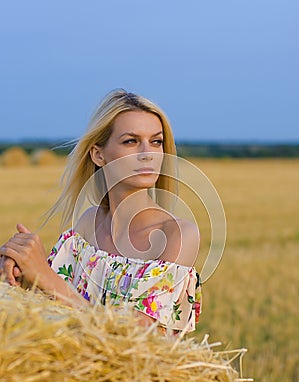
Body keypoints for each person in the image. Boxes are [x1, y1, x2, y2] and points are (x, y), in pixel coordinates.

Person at [0, 89, 202, 333]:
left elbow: (135, 335)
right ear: (99, 155)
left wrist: (45, 276)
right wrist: (19, 265)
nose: (147, 153)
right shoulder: (87, 224)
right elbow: (50, 307)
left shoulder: (177, 234)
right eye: (131, 141)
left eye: (156, 142)